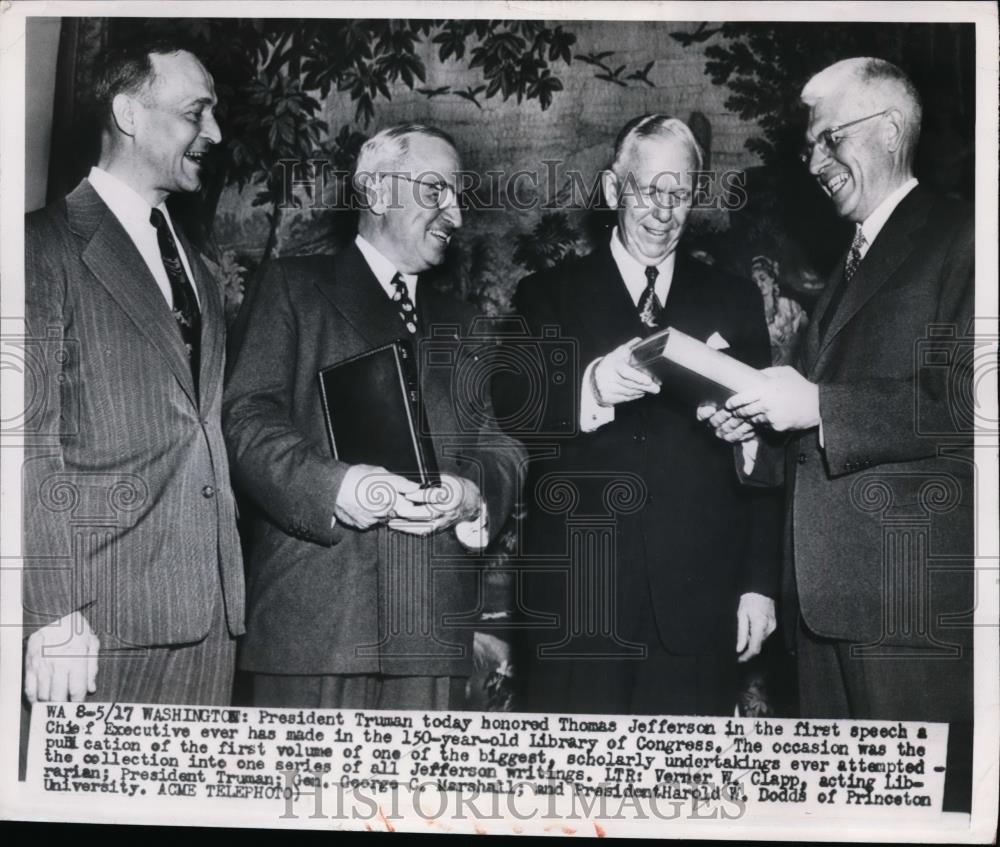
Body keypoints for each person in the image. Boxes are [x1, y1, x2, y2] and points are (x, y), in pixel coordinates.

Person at [704, 58, 974, 808]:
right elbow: (824, 427)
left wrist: (819, 405)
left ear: (889, 131)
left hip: (907, 616)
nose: (815, 163)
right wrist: (755, 432)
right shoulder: (850, 264)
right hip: (825, 613)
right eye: (808, 148)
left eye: (830, 140)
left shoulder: (969, 236)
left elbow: (972, 401)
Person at [223, 124, 521, 710]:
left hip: (430, 633)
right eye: (438, 192)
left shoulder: (466, 325)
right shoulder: (292, 288)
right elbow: (244, 419)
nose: (455, 216)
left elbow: (501, 444)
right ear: (380, 192)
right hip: (315, 627)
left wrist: (471, 493)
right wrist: (336, 487)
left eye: (459, 198)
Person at [496, 114, 781, 716]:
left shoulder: (731, 299)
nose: (663, 211)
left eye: (679, 194)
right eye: (648, 190)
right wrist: (592, 388)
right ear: (611, 191)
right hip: (579, 601)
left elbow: (765, 459)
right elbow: (512, 406)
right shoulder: (546, 294)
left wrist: (759, 583)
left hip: (699, 604)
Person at [22, 40, 245, 711]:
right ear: (129, 112)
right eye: (195, 113)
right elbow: (25, 442)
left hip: (211, 618)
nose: (215, 133)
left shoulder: (199, 269)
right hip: (94, 628)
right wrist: (50, 608)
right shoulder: (41, 247)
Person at [750, 255, 808, 365]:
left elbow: (806, 331)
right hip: (766, 365)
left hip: (793, 365)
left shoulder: (790, 305)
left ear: (772, 278)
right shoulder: (752, 311)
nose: (759, 284)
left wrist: (793, 341)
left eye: (763, 278)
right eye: (754, 281)